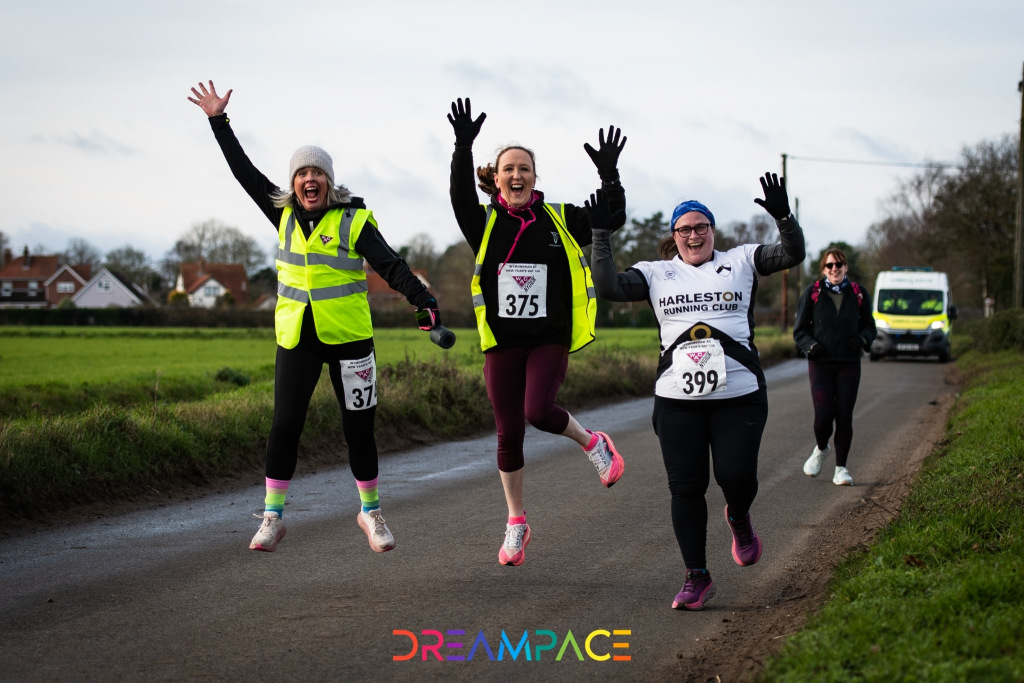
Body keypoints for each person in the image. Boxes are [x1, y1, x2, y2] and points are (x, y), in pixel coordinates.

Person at [188, 81, 442, 554]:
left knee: (358, 427)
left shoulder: (353, 220)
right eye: (302, 173)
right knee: (285, 423)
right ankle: (272, 517)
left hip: (349, 339)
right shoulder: (280, 212)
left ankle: (370, 513)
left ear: (329, 182)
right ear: (293, 183)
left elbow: (391, 265)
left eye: (317, 174)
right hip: (297, 338)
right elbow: (243, 172)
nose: (310, 180)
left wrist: (421, 299)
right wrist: (218, 122)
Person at [589, 173, 805, 610]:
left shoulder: (742, 259)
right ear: (674, 237)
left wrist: (783, 216)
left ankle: (739, 517)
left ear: (712, 231)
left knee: (734, 477)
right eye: (684, 229)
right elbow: (609, 286)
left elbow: (792, 253)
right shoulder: (656, 273)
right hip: (677, 400)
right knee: (686, 488)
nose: (693, 235)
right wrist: (600, 234)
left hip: (740, 395)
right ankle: (696, 576)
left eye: (700, 227)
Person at [446, 97, 626, 567]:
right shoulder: (484, 222)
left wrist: (610, 176)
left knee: (537, 410)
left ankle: (594, 443)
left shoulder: (560, 218)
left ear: (534, 177)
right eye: (509, 168)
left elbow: (613, 217)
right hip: (502, 342)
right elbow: (459, 195)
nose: (517, 175)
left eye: (525, 168)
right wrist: (463, 146)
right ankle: (516, 523)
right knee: (508, 433)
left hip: (549, 336)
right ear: (498, 178)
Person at [793, 247, 875, 487]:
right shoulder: (813, 293)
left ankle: (841, 469)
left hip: (849, 363)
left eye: (839, 265)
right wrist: (811, 346)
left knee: (844, 416)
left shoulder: (859, 294)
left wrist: (863, 339)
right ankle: (821, 448)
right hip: (821, 363)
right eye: (830, 265)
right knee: (823, 417)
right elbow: (799, 330)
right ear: (824, 269)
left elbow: (870, 326)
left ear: (846, 267)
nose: (835, 269)